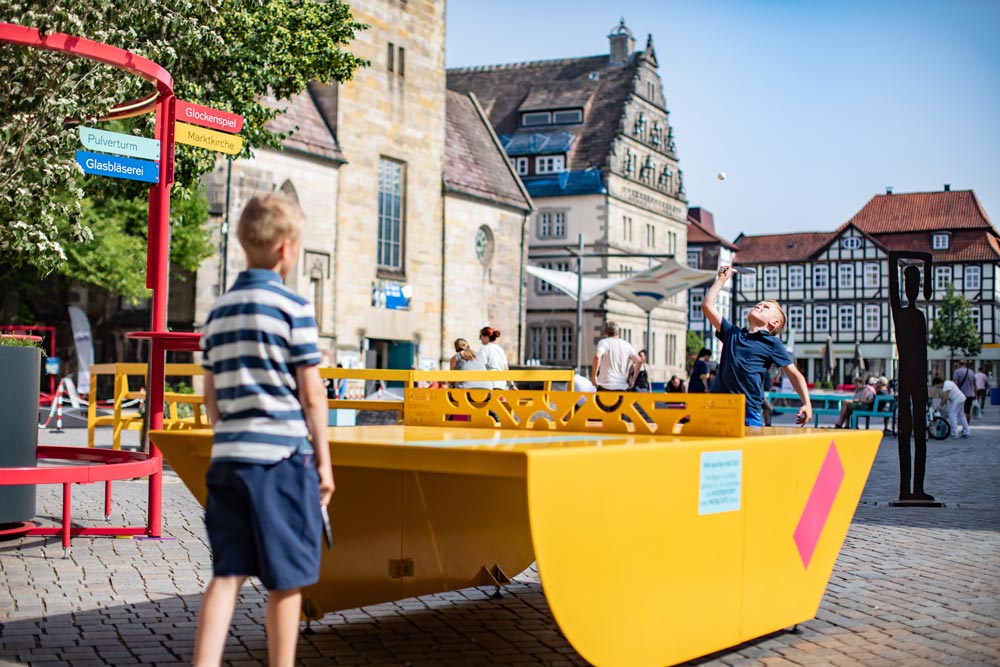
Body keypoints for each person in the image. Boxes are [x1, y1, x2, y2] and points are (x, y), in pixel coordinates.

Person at [196, 193, 335, 667]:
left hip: (229, 461)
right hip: (281, 461)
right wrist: (324, 461)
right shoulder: (294, 308)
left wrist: (229, 436)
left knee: (227, 573)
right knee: (285, 580)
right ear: (286, 250)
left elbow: (210, 395)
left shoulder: (217, 314)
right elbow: (313, 395)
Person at [702, 266, 812, 427]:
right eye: (759, 304)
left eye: (765, 307)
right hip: (719, 407)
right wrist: (722, 280)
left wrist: (807, 403)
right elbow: (707, 305)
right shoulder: (732, 333)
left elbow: (795, 375)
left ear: (774, 323)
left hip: (747, 411)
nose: (759, 306)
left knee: (748, 452)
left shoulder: (772, 343)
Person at [591, 321, 642, 391]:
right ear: (618, 332)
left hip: (605, 386)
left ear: (605, 332)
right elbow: (638, 361)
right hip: (621, 387)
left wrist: (594, 377)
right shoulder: (626, 345)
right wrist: (633, 381)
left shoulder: (604, 342)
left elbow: (597, 356)